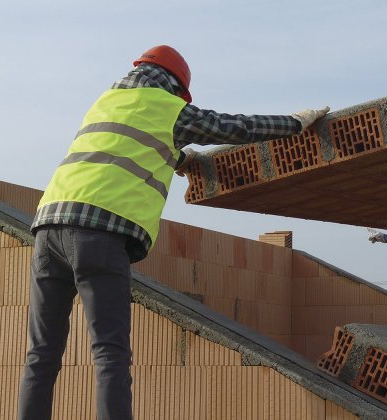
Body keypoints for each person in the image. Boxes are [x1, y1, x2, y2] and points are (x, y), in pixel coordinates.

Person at [17, 45, 329, 420]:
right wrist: (294, 123)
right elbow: (236, 127)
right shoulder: (168, 108)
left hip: (48, 229)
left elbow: (120, 147)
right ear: (176, 88)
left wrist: (179, 158)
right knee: (110, 353)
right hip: (100, 234)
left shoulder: (106, 102)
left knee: (42, 353)